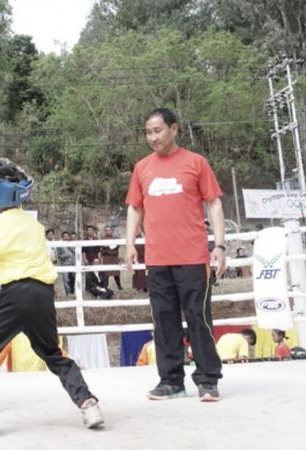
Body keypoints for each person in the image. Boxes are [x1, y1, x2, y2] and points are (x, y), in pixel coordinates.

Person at [0, 158, 103, 436]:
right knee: (53, 354)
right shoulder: (33, 225)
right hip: (43, 294)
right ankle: (88, 404)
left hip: (15, 295)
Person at [124, 107, 226, 402]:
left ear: (174, 129)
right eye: (148, 132)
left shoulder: (196, 163)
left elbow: (214, 205)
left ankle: (208, 379)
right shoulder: (142, 167)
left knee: (198, 318)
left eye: (157, 130)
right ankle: (171, 381)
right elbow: (135, 207)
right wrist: (130, 243)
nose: (152, 137)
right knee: (163, 320)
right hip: (157, 259)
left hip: (193, 257)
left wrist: (219, 246)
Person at [100, 226, 123, 290]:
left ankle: (119, 286)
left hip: (114, 258)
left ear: (111, 231)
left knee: (116, 273)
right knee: (106, 274)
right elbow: (102, 250)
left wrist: (110, 249)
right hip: (106, 258)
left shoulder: (115, 239)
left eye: (109, 230)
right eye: (106, 230)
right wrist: (106, 251)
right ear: (105, 231)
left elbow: (117, 247)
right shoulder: (103, 239)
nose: (108, 232)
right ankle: (105, 286)